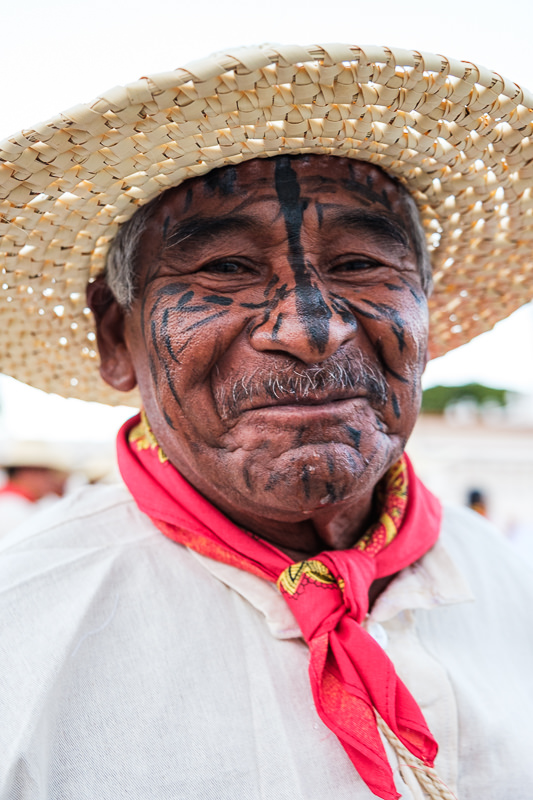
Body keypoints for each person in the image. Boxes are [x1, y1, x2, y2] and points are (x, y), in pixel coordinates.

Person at [1, 43, 533, 800]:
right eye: (223, 269)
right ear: (115, 337)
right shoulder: (21, 643)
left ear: (425, 317)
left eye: (359, 264)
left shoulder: (512, 588)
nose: (310, 329)